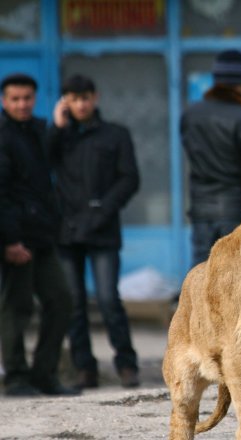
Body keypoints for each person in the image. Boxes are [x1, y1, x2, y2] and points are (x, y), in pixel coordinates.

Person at [48, 74, 141, 389]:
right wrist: (57, 128)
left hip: (103, 230)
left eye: (85, 97)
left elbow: (130, 178)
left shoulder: (115, 135)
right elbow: (38, 165)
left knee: (107, 299)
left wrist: (104, 208)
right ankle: (84, 368)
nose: (81, 104)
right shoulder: (59, 137)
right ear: (65, 102)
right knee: (73, 302)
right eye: (74, 99)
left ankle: (127, 365)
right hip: (67, 231)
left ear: (95, 98)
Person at [0, 73, 78, 396]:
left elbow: (51, 166)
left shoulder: (37, 131)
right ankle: (17, 377)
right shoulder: (3, 136)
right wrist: (9, 241)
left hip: (42, 235)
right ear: (4, 101)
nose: (22, 104)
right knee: (16, 307)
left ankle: (44, 374)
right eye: (15, 99)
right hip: (15, 238)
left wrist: (59, 128)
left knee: (61, 300)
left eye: (27, 98)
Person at [181, 49, 241, 266]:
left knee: (201, 274)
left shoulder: (191, 115)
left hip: (200, 208)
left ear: (215, 80)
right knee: (236, 274)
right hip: (238, 209)